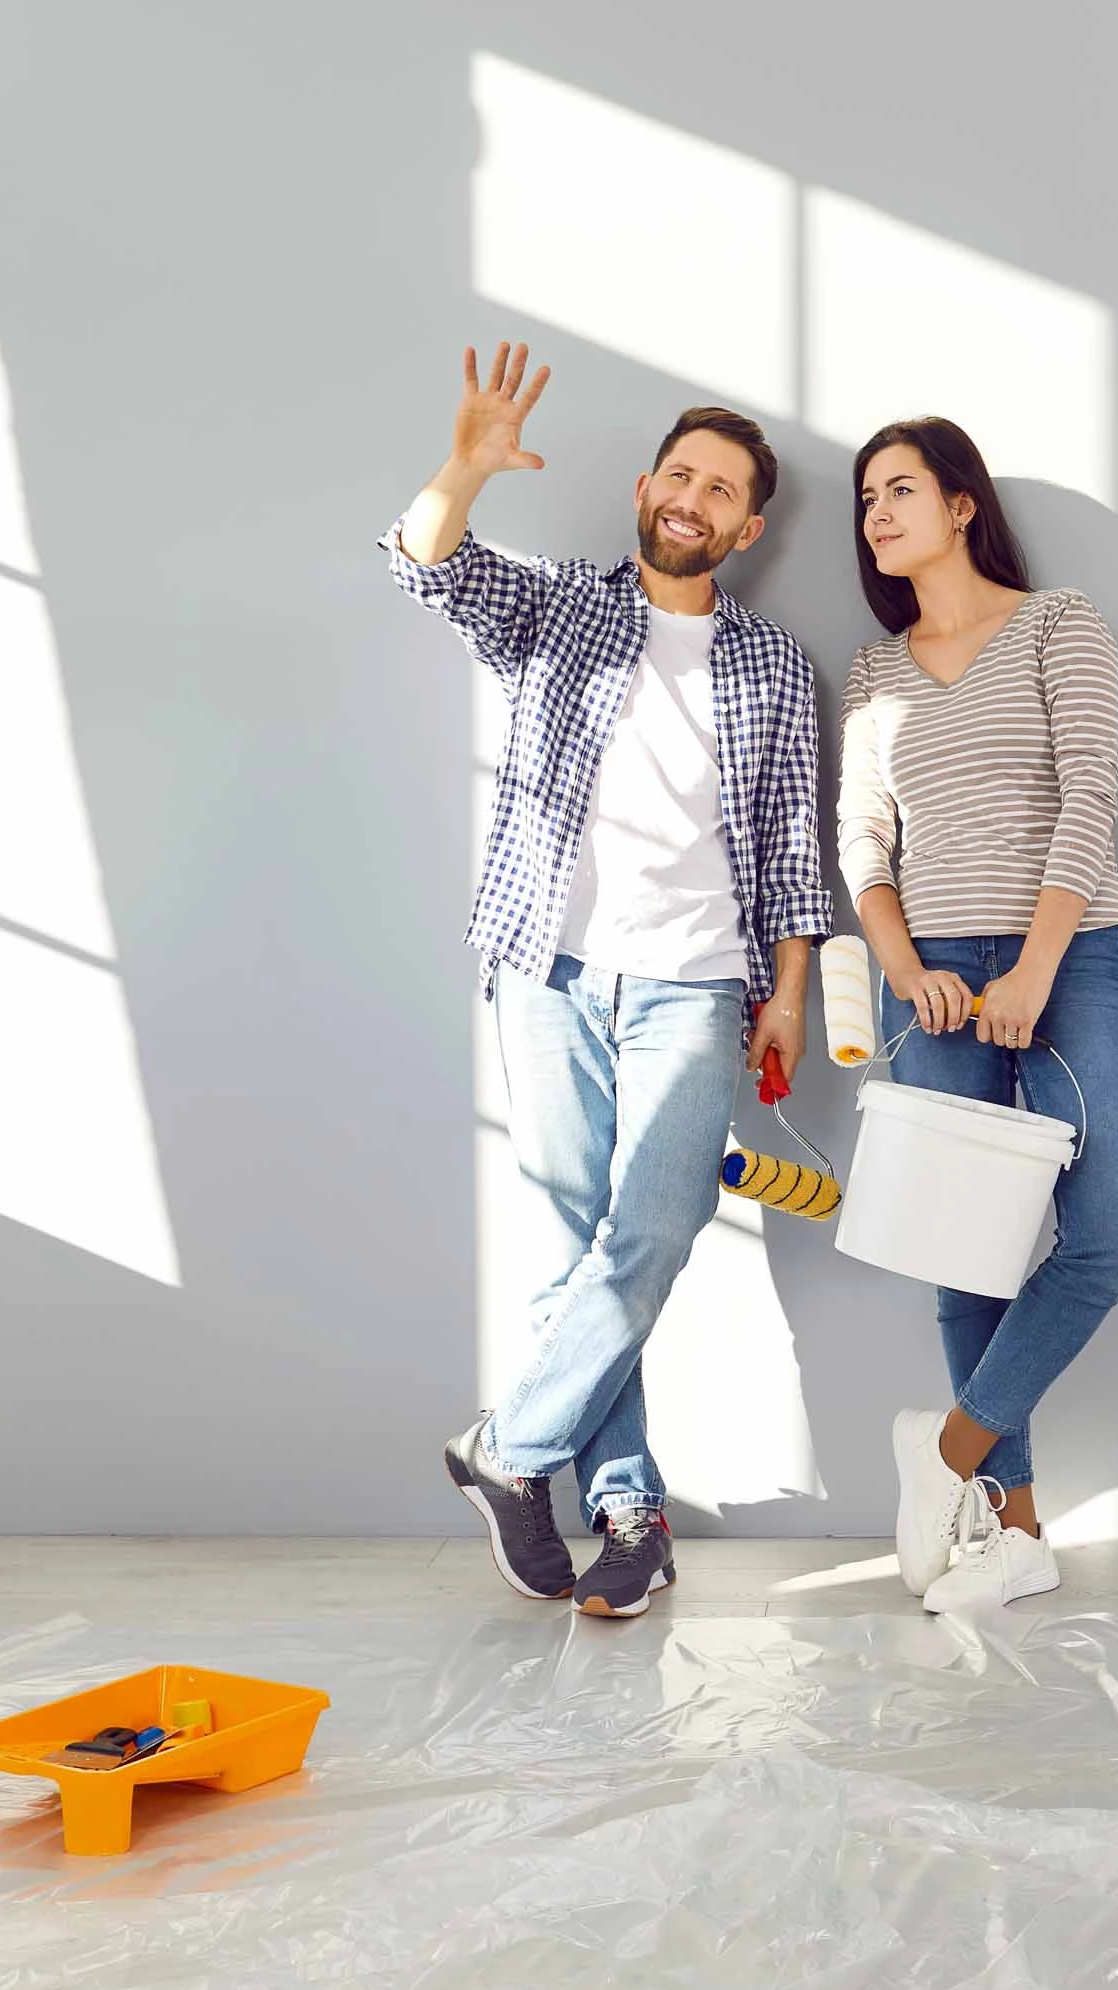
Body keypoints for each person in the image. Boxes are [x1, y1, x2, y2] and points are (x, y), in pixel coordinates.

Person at [385, 342, 828, 1618]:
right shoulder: (564, 602)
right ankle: (628, 1510)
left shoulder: (773, 667)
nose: (692, 496)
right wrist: (462, 470)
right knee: (569, 1246)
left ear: (744, 528)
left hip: (693, 982)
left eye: (721, 488)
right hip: (546, 967)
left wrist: (789, 991)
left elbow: (794, 848)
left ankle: (507, 1450)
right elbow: (432, 570)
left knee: (652, 1228)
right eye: (677, 473)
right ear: (644, 489)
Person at [837, 416, 1118, 1617]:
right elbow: (864, 834)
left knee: (1111, 1230)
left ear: (962, 503)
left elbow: (1090, 793)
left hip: (1070, 958)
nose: (875, 512)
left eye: (899, 487)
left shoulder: (1059, 623)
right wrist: (903, 963)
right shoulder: (872, 670)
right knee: (961, 1254)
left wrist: (1032, 963)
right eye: (865, 496)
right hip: (931, 976)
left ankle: (948, 1450)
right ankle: (1010, 1529)